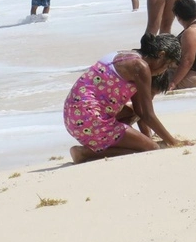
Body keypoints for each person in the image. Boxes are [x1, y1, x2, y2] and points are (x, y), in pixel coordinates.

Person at [64, 33, 184, 164]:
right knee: (152, 148)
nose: (163, 71)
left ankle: (106, 144)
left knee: (136, 122)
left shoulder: (129, 57)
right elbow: (148, 115)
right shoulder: (141, 67)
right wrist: (172, 142)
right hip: (91, 119)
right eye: (167, 65)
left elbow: (139, 112)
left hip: (73, 117)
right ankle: (85, 153)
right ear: (161, 55)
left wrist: (147, 137)